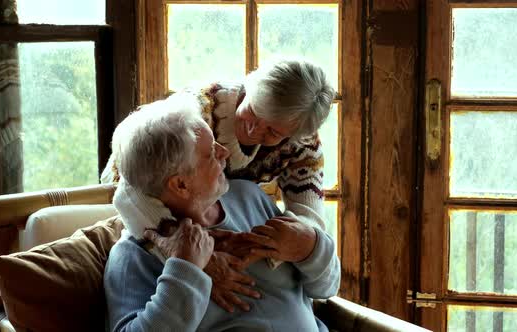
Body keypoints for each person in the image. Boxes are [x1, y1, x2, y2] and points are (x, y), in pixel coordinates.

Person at [104, 96, 340, 332]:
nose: (225, 153)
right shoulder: (134, 254)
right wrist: (186, 270)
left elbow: (326, 289)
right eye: (210, 153)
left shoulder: (249, 197)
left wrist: (311, 248)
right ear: (181, 185)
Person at [102, 59, 335, 231]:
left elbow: (310, 223)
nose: (254, 130)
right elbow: (128, 192)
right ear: (249, 86)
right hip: (141, 217)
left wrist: (284, 242)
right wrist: (186, 253)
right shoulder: (194, 113)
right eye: (253, 110)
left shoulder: (302, 144)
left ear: (294, 135)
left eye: (272, 131)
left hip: (213, 223)